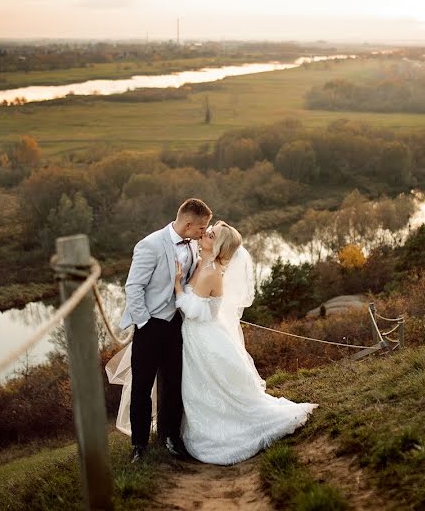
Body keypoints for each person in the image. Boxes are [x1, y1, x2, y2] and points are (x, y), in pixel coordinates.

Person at [173, 221, 316, 465]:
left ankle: (228, 431)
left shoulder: (211, 272)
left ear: (217, 246)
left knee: (213, 387)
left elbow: (192, 309)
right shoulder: (201, 264)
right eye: (208, 232)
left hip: (205, 339)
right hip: (196, 338)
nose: (205, 234)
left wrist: (177, 283)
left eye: (211, 234)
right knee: (200, 389)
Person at [116, 198, 212, 464]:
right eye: (202, 228)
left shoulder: (194, 245)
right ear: (189, 223)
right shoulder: (149, 245)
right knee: (142, 387)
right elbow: (133, 288)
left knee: (174, 384)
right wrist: (145, 323)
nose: (204, 232)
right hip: (150, 326)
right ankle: (139, 445)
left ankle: (171, 438)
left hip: (177, 326)